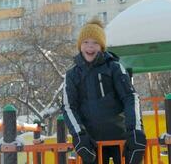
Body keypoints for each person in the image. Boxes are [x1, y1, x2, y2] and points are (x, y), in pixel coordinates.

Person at [61, 17, 146, 164]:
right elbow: (69, 107)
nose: (90, 47)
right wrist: (79, 135)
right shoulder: (72, 75)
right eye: (86, 42)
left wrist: (136, 131)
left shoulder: (114, 68)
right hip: (92, 144)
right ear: (80, 45)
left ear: (102, 46)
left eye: (95, 43)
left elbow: (130, 97)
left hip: (120, 139)